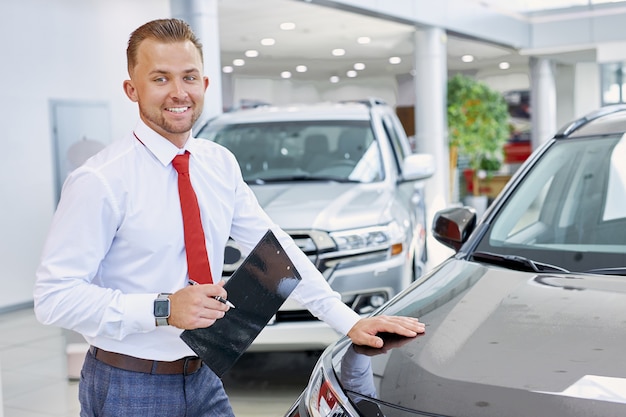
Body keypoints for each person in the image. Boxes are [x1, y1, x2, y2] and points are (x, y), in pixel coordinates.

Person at [33, 18, 426, 417]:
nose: (178, 92)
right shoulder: (100, 180)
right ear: (132, 90)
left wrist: (347, 321)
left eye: (189, 77)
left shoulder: (218, 164)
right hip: (128, 385)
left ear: (204, 85)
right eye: (160, 79)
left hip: (204, 376)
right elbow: (54, 298)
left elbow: (276, 251)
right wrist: (163, 308)